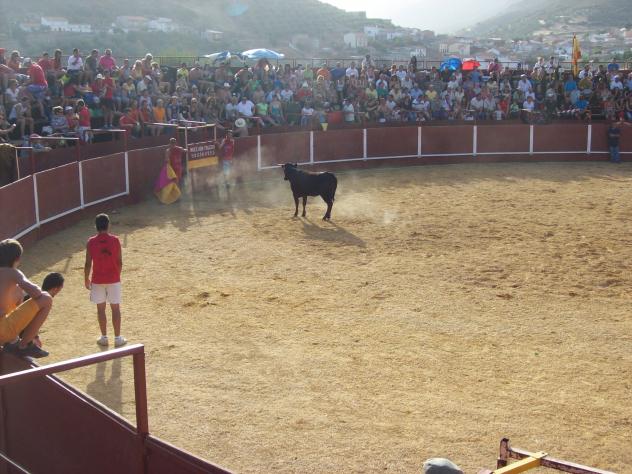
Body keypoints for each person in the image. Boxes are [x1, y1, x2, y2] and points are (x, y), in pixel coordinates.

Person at [0, 239, 55, 358]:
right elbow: (37, 293)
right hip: (3, 330)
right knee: (46, 298)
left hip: (4, 328)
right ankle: (24, 345)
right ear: (17, 259)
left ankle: (14, 340)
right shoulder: (13, 273)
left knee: (17, 291)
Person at [84, 214, 126, 348]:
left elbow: (87, 264)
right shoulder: (115, 240)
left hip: (97, 280)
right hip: (113, 279)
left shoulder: (91, 242)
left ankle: (104, 337)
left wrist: (86, 279)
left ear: (96, 226)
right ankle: (118, 338)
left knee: (100, 309)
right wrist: (116, 276)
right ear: (108, 225)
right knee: (115, 308)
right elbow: (119, 262)